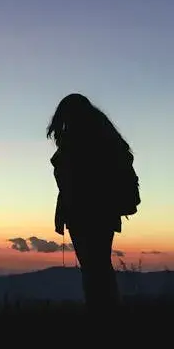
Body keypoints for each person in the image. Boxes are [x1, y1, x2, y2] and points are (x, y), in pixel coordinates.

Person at [47, 93, 138, 314]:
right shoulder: (103, 137)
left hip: (85, 213)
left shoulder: (78, 141)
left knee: (93, 268)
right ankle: (105, 309)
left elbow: (72, 182)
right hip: (102, 213)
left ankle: (101, 311)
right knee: (99, 266)